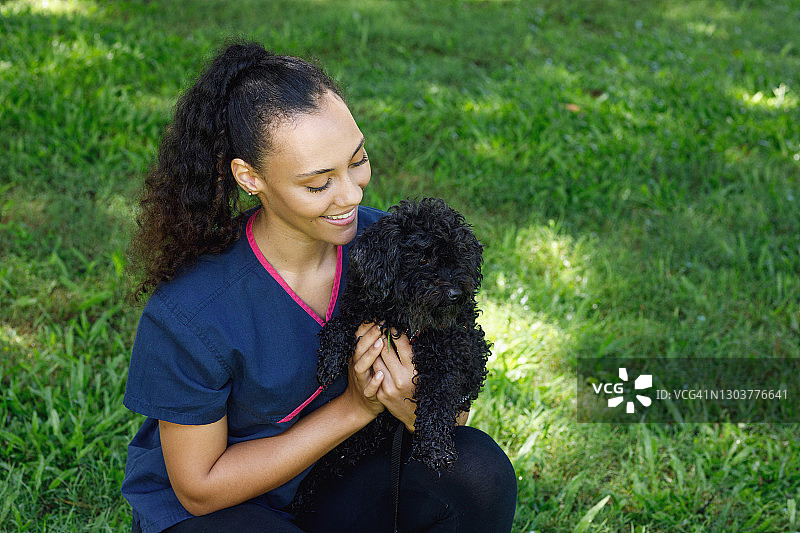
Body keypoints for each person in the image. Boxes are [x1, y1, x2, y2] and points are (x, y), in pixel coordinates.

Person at [122, 40, 517, 533]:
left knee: (477, 470)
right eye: (318, 183)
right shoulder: (190, 310)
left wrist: (413, 402)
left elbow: (448, 415)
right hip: (225, 512)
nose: (350, 195)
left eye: (357, 160)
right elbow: (199, 489)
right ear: (250, 177)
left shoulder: (392, 251)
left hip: (334, 486)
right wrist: (355, 408)